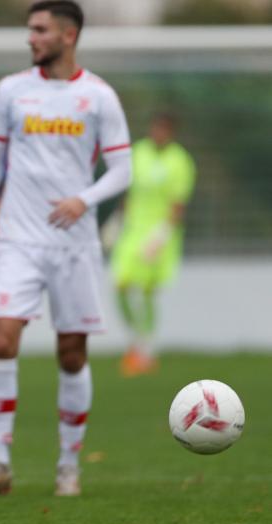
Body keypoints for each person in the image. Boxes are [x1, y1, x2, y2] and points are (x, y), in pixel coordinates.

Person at [0, 0, 132, 498]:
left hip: (74, 246)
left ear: (68, 34)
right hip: (18, 238)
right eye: (30, 29)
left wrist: (85, 199)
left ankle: (68, 465)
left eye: (40, 29)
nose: (31, 38)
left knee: (72, 354)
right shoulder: (12, 90)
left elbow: (123, 170)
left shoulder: (98, 96)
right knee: (2, 340)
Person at [111, 112, 196, 376]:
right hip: (133, 231)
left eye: (164, 130)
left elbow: (178, 205)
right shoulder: (139, 153)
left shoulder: (180, 161)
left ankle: (145, 351)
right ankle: (136, 342)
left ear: (171, 132)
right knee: (120, 285)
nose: (158, 134)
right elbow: (128, 192)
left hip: (160, 235)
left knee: (147, 291)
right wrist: (116, 222)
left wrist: (160, 236)